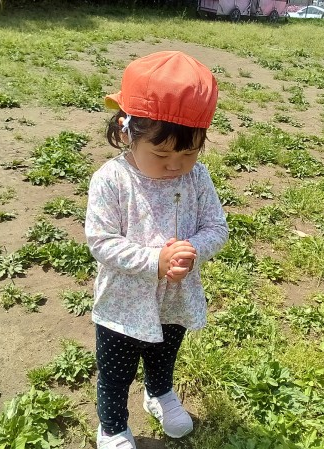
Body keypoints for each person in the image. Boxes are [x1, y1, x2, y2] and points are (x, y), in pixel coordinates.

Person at [85, 51, 229, 449]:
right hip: (123, 304)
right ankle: (113, 426)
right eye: (162, 154)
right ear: (127, 133)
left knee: (164, 355)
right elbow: (101, 240)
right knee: (115, 372)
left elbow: (217, 227)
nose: (175, 165)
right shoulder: (112, 180)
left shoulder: (197, 177)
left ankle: (159, 393)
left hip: (175, 299)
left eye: (189, 152)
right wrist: (155, 261)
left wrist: (191, 251)